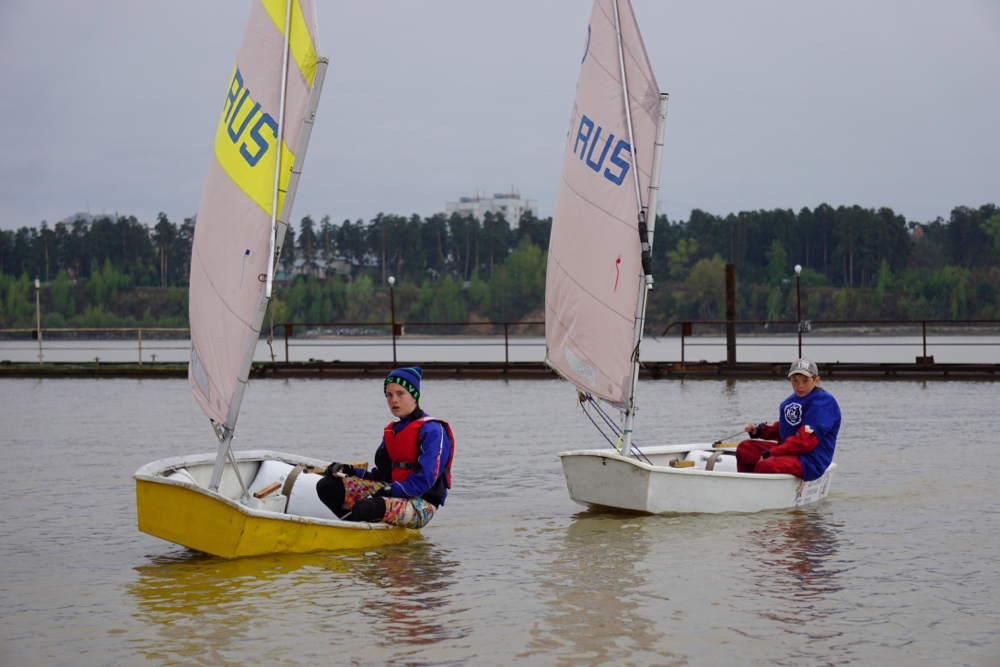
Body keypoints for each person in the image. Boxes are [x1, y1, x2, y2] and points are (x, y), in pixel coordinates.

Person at [315, 366, 454, 529]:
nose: (394, 400)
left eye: (400, 393)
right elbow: (380, 475)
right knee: (326, 486)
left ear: (414, 396)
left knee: (366, 507)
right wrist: (350, 471)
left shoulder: (433, 429)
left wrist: (391, 490)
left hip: (421, 502)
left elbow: (427, 479)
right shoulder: (393, 431)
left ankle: (363, 520)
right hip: (392, 492)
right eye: (389, 395)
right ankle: (356, 525)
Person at [735, 358, 841, 481]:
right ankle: (746, 487)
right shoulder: (791, 401)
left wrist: (771, 452)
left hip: (810, 460)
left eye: (805, 381)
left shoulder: (824, 404)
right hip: (791, 452)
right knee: (744, 449)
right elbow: (787, 428)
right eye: (795, 380)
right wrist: (760, 431)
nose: (799, 385)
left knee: (767, 464)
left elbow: (805, 442)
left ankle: (761, 495)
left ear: (816, 380)